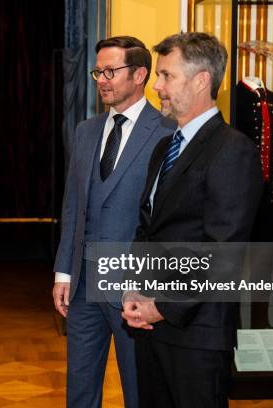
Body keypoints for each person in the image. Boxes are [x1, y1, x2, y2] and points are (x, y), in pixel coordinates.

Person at [121, 32, 263, 408]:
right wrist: (135, 290)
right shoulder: (165, 148)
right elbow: (147, 229)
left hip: (196, 335)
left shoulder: (233, 150)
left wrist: (163, 306)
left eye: (167, 76)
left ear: (201, 80)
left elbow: (222, 255)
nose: (157, 86)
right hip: (151, 330)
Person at [52, 36, 175, 407]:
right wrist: (63, 274)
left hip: (134, 287)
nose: (101, 79)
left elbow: (167, 220)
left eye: (111, 71)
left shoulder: (167, 134)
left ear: (139, 74)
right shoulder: (85, 131)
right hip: (84, 284)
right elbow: (72, 205)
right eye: (97, 72)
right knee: (80, 389)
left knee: (138, 389)